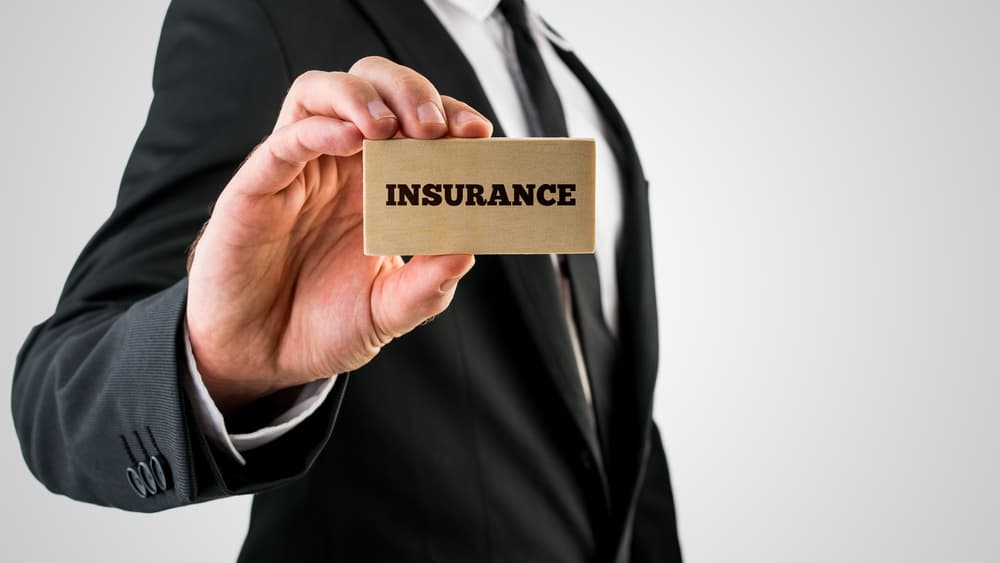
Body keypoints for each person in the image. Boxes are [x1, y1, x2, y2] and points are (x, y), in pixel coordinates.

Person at [12, 0, 682, 560]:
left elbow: (615, 427)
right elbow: (58, 395)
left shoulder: (581, 88)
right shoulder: (268, 17)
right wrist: (218, 359)